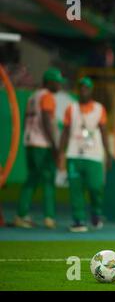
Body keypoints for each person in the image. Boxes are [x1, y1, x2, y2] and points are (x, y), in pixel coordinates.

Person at [58, 77, 111, 232]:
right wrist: (61, 153)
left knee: (96, 188)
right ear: (78, 90)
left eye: (86, 88)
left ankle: (96, 213)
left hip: (94, 155)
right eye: (81, 88)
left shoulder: (99, 108)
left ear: (91, 90)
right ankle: (79, 220)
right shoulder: (71, 108)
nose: (83, 90)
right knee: (76, 189)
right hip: (73, 154)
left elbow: (104, 132)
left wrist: (107, 154)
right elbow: (65, 132)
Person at [15, 68, 65, 229]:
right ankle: (49, 217)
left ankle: (21, 214)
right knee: (49, 181)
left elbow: (24, 121)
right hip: (43, 145)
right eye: (57, 82)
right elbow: (46, 121)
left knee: (31, 180)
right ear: (49, 82)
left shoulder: (33, 96)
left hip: (30, 142)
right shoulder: (47, 96)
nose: (59, 86)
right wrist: (55, 146)